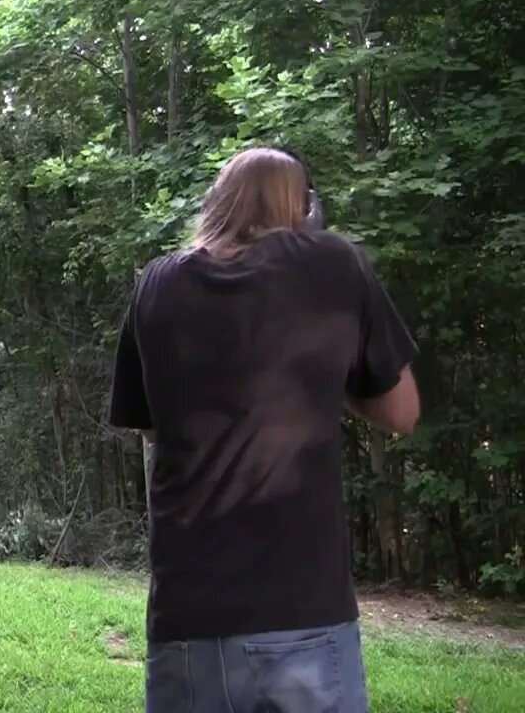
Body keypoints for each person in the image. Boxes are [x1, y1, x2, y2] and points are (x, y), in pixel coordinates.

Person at [109, 146, 420, 713]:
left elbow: (153, 430)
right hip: (300, 610)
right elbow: (401, 412)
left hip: (186, 618)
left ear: (216, 203)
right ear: (303, 209)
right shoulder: (333, 263)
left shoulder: (156, 283)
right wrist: (325, 372)